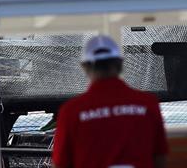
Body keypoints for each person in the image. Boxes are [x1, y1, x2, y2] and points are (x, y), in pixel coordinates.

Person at [52, 35, 168, 168]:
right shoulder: (148, 103)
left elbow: (60, 163)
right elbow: (160, 157)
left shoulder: (71, 111)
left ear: (85, 67)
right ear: (120, 63)